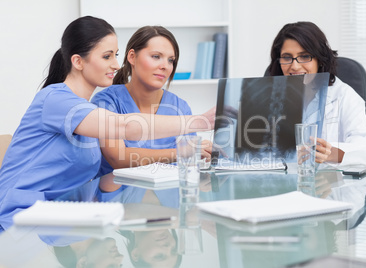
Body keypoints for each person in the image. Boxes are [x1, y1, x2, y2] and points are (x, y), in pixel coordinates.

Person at [0, 16, 215, 232]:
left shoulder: (89, 112)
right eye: (106, 56)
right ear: (78, 61)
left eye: (116, 55)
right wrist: (201, 121)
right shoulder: (55, 100)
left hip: (60, 218)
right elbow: (124, 127)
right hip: (21, 219)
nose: (115, 64)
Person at [91, 26, 212, 181]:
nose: (165, 66)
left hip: (169, 197)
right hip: (118, 198)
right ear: (132, 57)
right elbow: (118, 159)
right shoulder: (107, 102)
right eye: (156, 56)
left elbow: (189, 165)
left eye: (171, 60)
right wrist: (180, 152)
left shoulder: (179, 107)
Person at [265, 21, 366, 168]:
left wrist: (333, 153)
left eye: (304, 56)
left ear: (319, 59)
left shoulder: (343, 96)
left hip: (329, 185)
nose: (294, 66)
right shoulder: (270, 96)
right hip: (281, 183)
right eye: (287, 57)